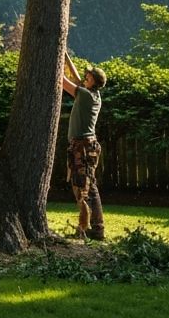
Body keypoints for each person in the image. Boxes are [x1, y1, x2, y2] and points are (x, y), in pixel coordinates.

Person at [61, 52, 107, 240]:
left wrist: (54, 61)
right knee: (87, 186)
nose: (84, 77)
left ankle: (94, 229)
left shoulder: (86, 96)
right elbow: (75, 77)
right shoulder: (91, 94)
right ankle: (91, 228)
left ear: (92, 81)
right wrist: (64, 55)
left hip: (83, 148)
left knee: (84, 187)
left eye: (87, 76)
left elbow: (63, 81)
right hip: (84, 146)